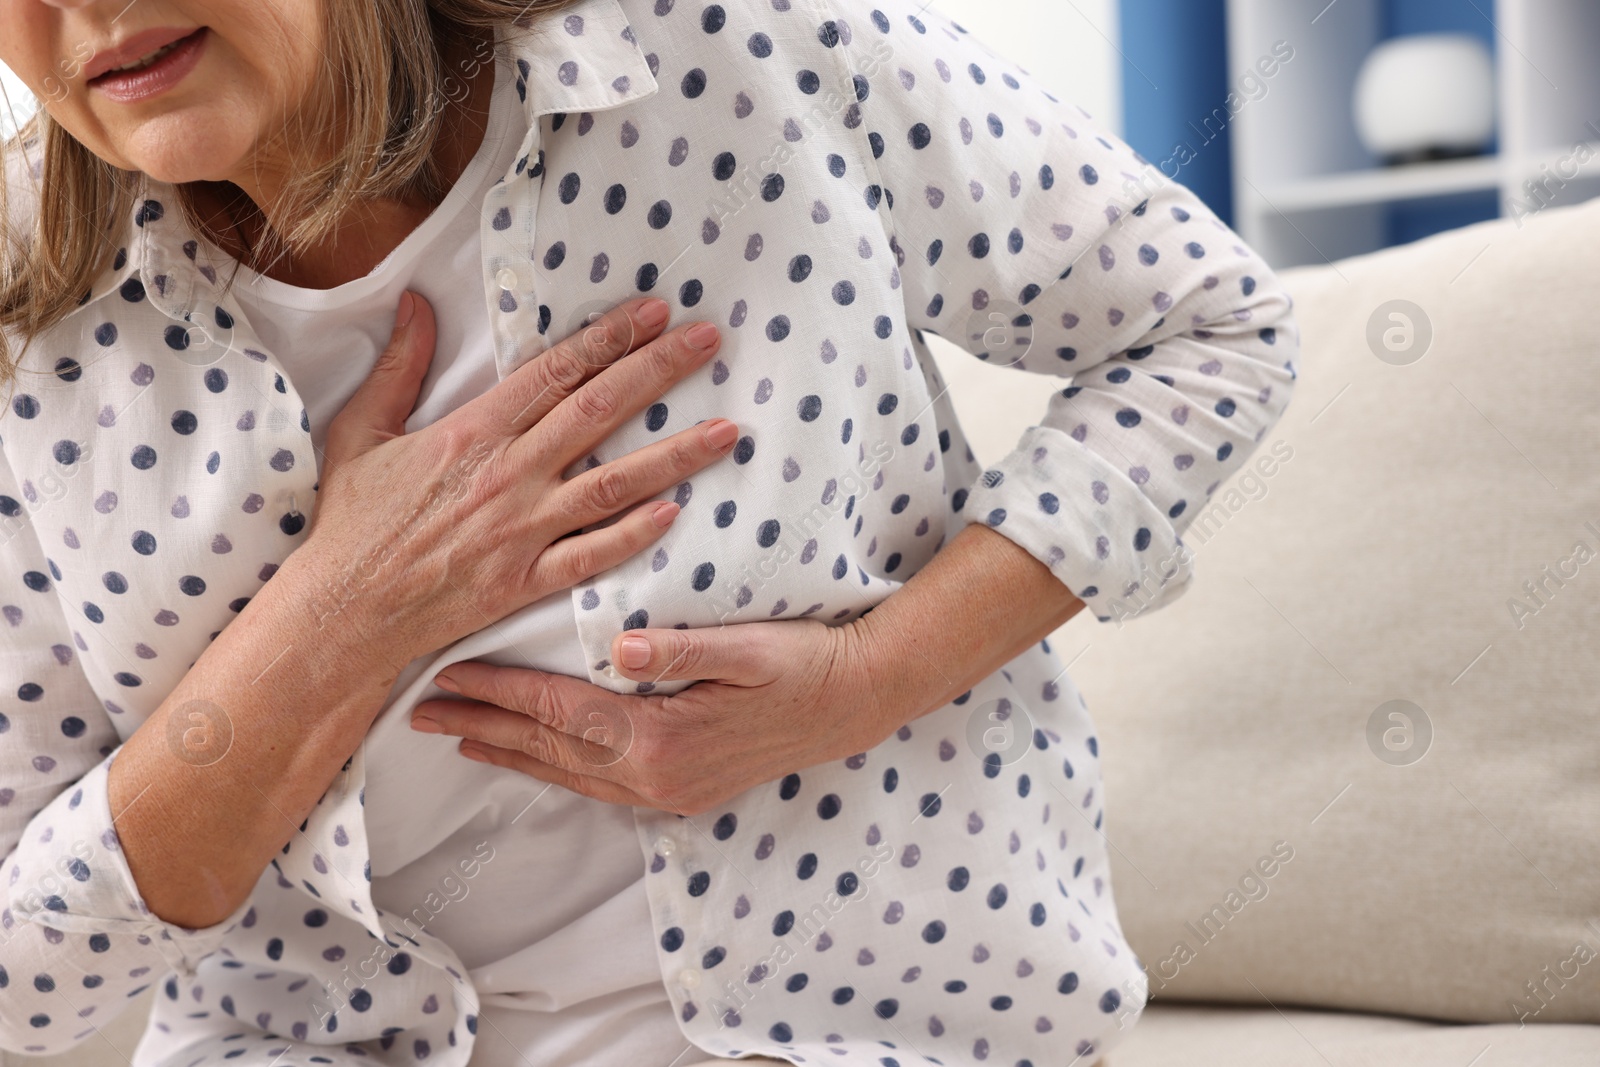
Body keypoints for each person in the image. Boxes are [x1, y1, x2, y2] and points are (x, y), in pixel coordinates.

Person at [0, 0, 1299, 1064]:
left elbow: (1212, 330)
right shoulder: (28, 310)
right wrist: (337, 610)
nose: (85, 12)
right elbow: (22, 972)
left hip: (869, 1030)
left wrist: (873, 678)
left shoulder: (737, 51)